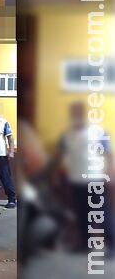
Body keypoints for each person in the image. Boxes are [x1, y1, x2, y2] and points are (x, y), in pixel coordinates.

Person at [53, 101, 114, 254]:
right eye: (74, 112)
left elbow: (108, 154)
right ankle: (85, 245)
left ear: (84, 113)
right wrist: (55, 174)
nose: (77, 115)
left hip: (95, 180)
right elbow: (59, 155)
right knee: (81, 215)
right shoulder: (67, 135)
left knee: (102, 214)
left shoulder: (98, 131)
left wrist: (109, 173)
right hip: (75, 181)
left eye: (79, 112)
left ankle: (113, 246)